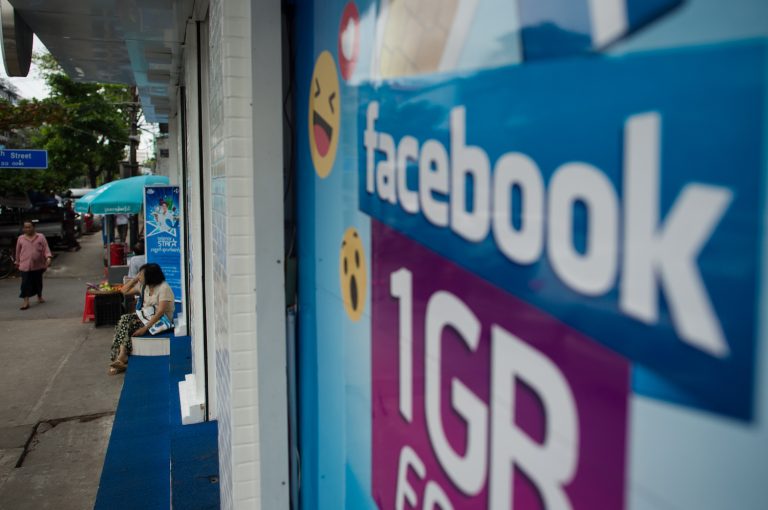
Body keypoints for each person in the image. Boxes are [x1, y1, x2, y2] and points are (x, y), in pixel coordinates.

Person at [108, 263, 175, 375]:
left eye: (142, 275)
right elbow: (123, 291)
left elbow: (160, 312)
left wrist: (145, 328)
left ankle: (121, 357)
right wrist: (134, 280)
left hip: (159, 320)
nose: (140, 277)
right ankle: (121, 358)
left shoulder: (164, 288)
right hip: (144, 316)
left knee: (126, 324)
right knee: (124, 319)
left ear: (151, 276)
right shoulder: (144, 286)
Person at [15, 221, 53, 310]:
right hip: (24, 265)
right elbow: (17, 251)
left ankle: (39, 296)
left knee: (37, 282)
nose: (27, 229)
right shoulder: (21, 238)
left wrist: (48, 258)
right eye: (25, 227)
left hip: (38, 264)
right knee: (25, 283)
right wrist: (17, 262)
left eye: (29, 227)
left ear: (34, 227)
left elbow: (46, 248)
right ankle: (26, 301)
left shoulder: (40, 237)